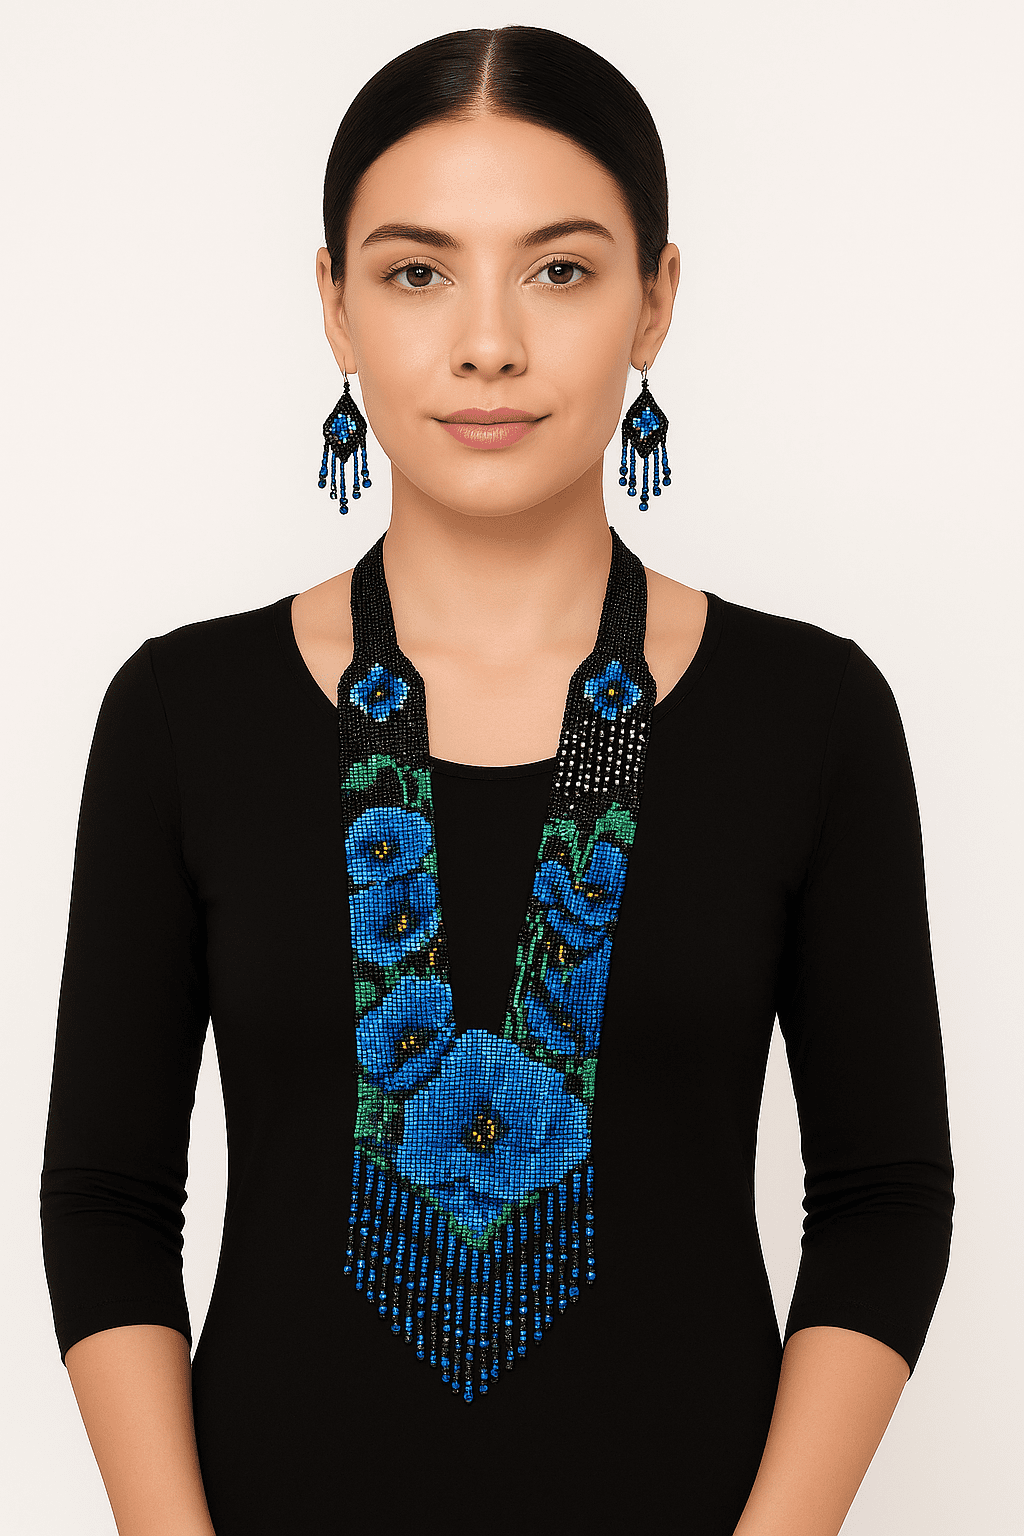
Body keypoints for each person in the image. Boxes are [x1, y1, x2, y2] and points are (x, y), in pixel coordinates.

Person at [40, 25, 954, 1536]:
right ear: (332, 304)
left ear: (656, 298)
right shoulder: (181, 716)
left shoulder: (813, 716)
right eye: (416, 272)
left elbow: (882, 1199)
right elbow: (108, 1203)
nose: (487, 344)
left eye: (560, 269)